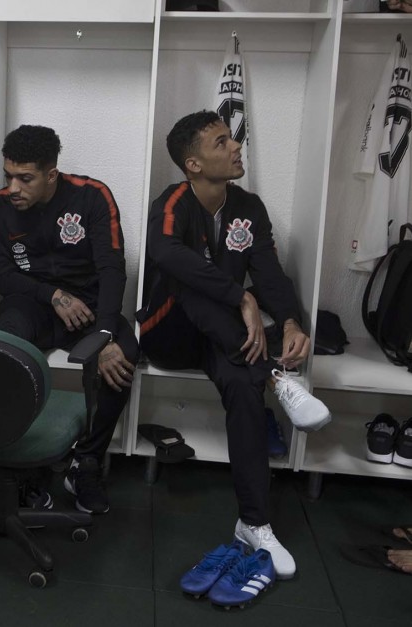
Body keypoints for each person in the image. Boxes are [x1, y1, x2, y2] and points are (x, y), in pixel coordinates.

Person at [137, 110, 331, 579]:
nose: (236, 146)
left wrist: (288, 321)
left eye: (232, 139)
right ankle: (278, 377)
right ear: (193, 164)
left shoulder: (249, 206)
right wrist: (237, 294)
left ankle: (254, 523)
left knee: (245, 388)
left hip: (222, 336)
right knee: (189, 281)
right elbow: (165, 255)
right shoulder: (173, 202)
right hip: (169, 331)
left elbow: (266, 271)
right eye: (221, 142)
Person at [0, 125, 136, 514]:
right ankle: (19, 459)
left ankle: (86, 462)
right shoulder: (0, 206)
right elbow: (2, 276)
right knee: (6, 346)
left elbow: (111, 269)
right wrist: (52, 295)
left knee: (123, 357)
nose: (13, 187)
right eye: (8, 176)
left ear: (51, 174)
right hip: (33, 303)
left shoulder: (93, 196)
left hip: (86, 309)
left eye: (25, 178)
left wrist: (103, 336)